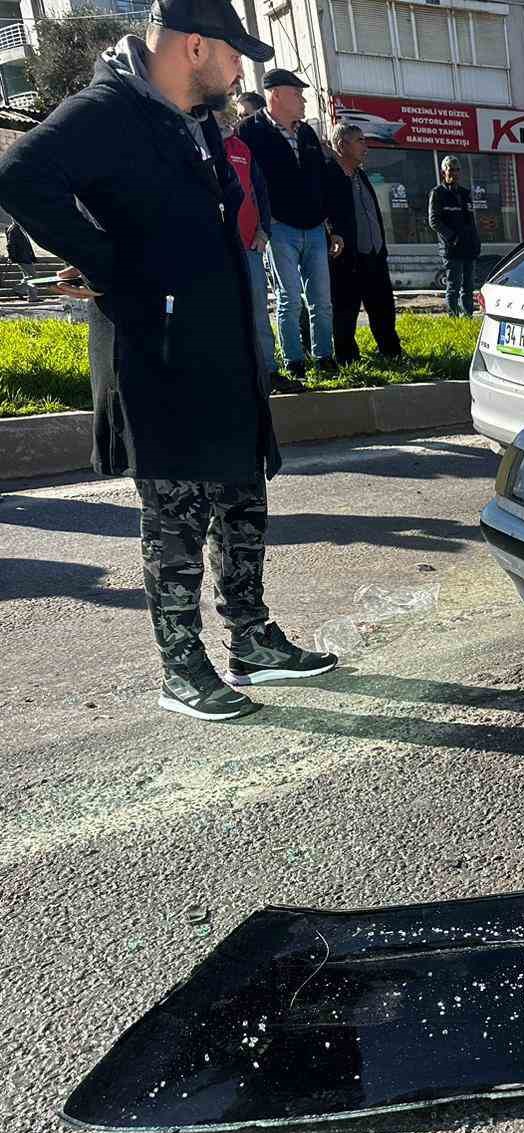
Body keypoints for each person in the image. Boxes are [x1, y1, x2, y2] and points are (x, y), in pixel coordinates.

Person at [0, 0, 337, 720]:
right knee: (178, 514)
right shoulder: (107, 108)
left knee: (242, 494)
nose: (240, 67)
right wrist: (105, 263)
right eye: (233, 52)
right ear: (193, 47)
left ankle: (252, 641)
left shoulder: (194, 117)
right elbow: (22, 175)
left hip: (220, 340)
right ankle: (182, 669)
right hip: (157, 345)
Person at [237, 67, 340, 375]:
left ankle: (324, 357)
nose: (303, 100)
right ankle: (294, 360)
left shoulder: (307, 132)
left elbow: (322, 180)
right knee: (290, 298)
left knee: (322, 299)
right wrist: (261, 225)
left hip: (315, 228)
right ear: (276, 95)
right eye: (297, 94)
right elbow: (248, 185)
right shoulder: (249, 132)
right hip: (278, 228)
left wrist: (330, 226)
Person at [324, 122, 403, 363]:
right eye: (359, 141)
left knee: (383, 306)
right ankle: (347, 357)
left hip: (375, 255)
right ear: (341, 145)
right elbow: (326, 213)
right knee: (345, 309)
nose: (365, 147)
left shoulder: (361, 175)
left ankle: (390, 351)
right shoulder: (329, 175)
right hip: (347, 257)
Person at [220, 106, 286, 392]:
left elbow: (260, 192)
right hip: (218, 249)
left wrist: (264, 231)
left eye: (230, 113)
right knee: (224, 313)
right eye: (222, 113)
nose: (229, 118)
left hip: (250, 245)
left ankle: (268, 371)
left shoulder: (242, 149)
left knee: (259, 311)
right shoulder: (198, 145)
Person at [428, 155, 480, 317]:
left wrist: (476, 242)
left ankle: (468, 317)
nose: (454, 173)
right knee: (454, 286)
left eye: (457, 170)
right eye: (451, 170)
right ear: (444, 172)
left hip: (468, 248)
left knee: (469, 287)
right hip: (452, 250)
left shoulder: (465, 193)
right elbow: (434, 221)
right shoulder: (438, 193)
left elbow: (471, 221)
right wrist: (453, 238)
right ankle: (454, 319)